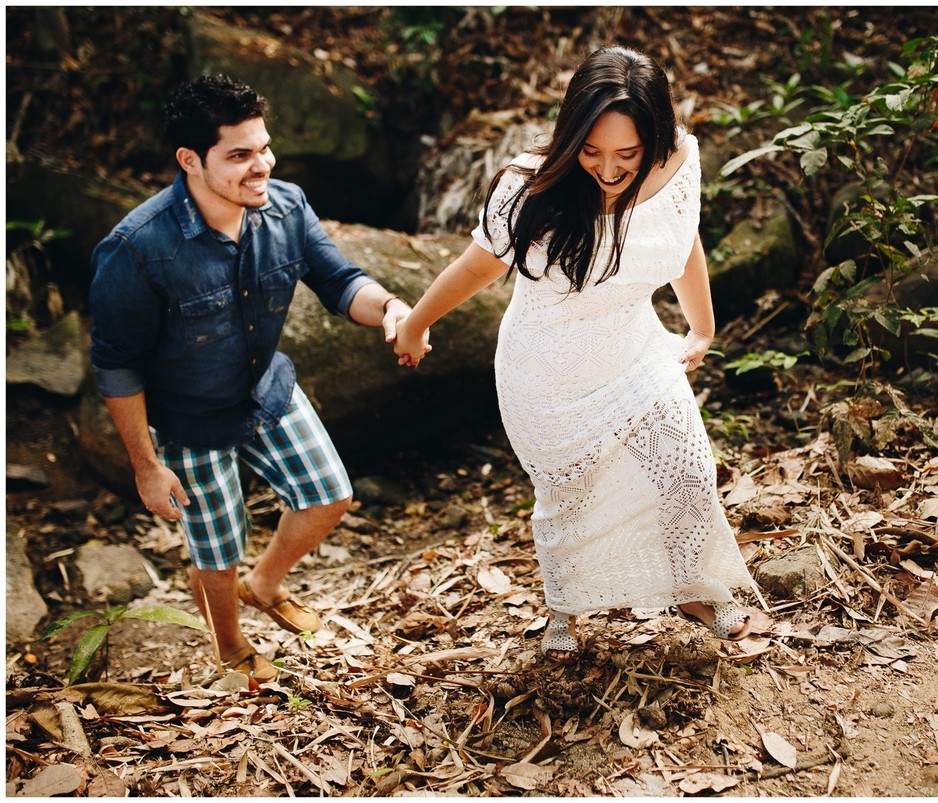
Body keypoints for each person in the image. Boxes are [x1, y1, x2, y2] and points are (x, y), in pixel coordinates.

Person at [390, 46, 764, 663]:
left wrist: (702, 326)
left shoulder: (681, 160)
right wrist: (416, 325)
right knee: (571, 496)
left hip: (636, 349)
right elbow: (476, 266)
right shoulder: (529, 184)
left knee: (689, 471)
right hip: (545, 371)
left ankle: (695, 588)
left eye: (626, 154)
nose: (609, 170)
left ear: (655, 135)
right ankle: (565, 608)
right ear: (571, 137)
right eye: (591, 151)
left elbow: (683, 234)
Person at [89, 74, 425, 682]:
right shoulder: (137, 248)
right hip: (191, 421)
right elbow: (116, 365)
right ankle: (230, 645)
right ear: (190, 160)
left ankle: (265, 583)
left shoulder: (288, 206)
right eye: (239, 155)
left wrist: (393, 309)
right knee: (215, 550)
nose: (261, 165)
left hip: (269, 390)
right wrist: (144, 464)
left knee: (331, 495)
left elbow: (341, 282)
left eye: (263, 147)